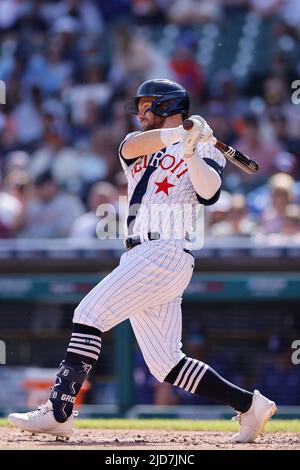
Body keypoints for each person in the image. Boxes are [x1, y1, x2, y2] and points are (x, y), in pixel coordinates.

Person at [8, 79, 276, 442]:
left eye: (148, 105)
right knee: (166, 363)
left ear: (169, 105)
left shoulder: (203, 148)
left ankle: (59, 410)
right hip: (142, 255)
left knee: (88, 314)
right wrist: (179, 137)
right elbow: (131, 145)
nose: (141, 112)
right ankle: (249, 405)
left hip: (164, 250)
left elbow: (209, 193)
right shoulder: (141, 144)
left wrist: (193, 151)